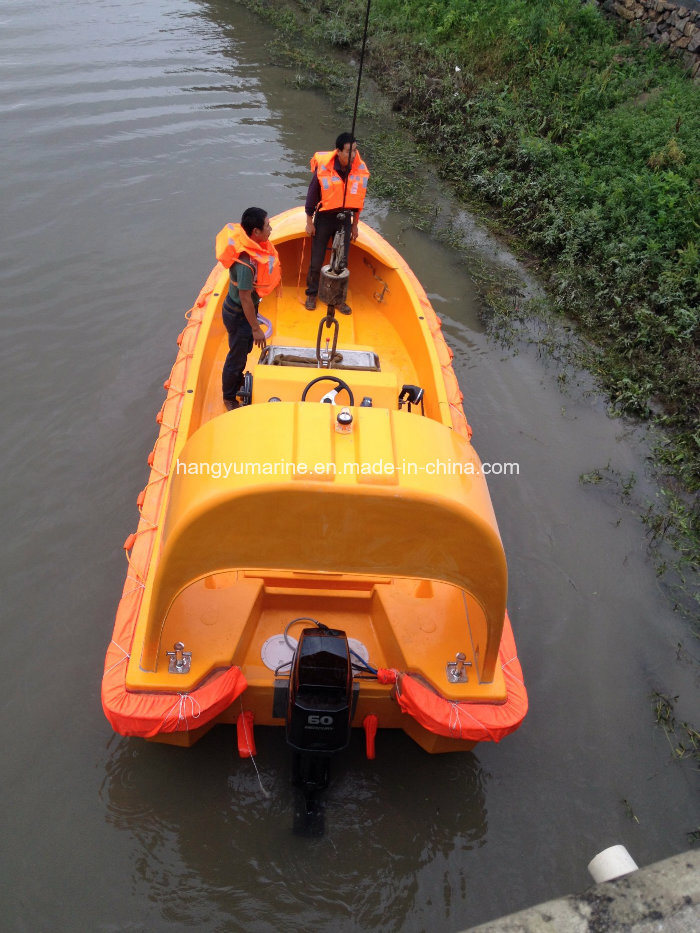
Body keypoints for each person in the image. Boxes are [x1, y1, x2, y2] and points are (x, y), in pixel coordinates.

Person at [220, 207, 281, 411]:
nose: (270, 229)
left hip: (245, 311)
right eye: (267, 226)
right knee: (236, 356)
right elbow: (245, 298)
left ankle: (236, 384)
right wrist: (256, 328)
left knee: (243, 350)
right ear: (255, 232)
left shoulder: (257, 249)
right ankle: (229, 397)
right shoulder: (246, 264)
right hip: (238, 313)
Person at [304, 132, 370, 314]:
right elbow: (311, 196)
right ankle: (311, 293)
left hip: (345, 219)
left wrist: (355, 225)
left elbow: (359, 201)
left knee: (341, 261)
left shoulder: (359, 169)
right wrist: (309, 221)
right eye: (349, 151)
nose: (353, 155)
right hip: (325, 218)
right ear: (339, 151)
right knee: (316, 260)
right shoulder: (324, 168)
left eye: (355, 150)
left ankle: (338, 300)